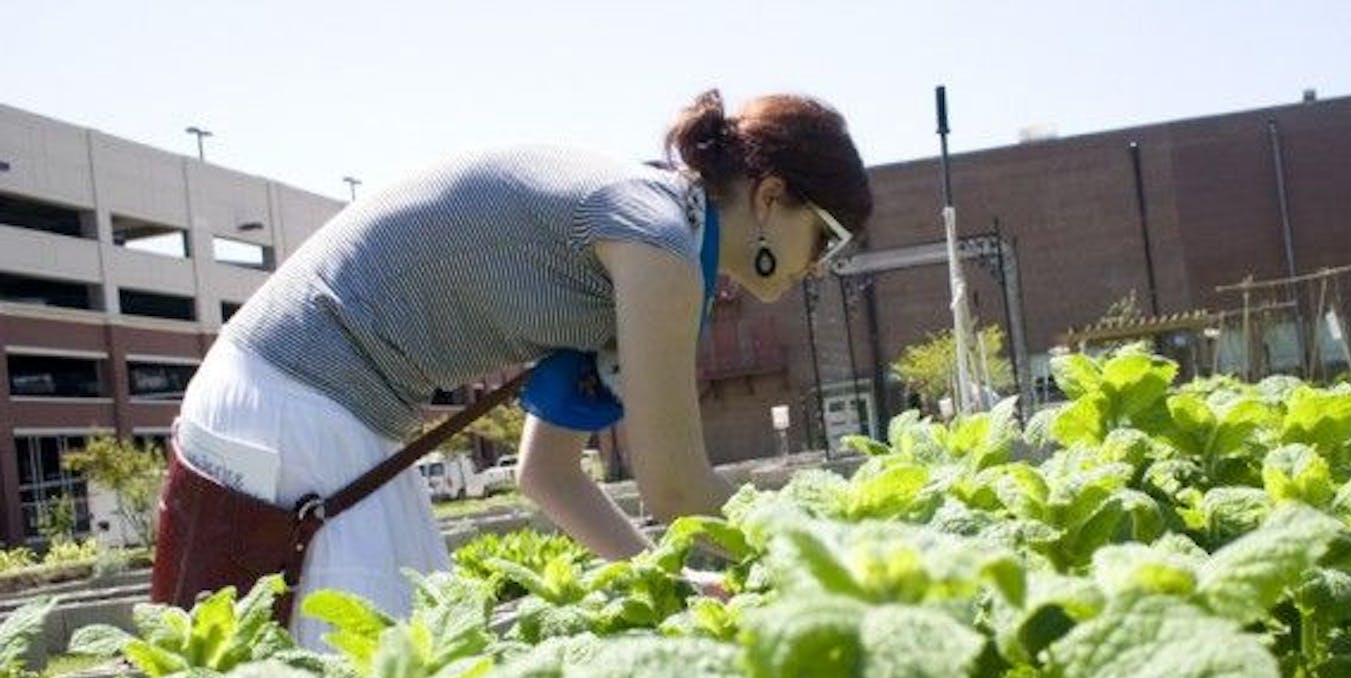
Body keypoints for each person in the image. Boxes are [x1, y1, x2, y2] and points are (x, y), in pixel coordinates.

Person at [168, 89, 872, 643]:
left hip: (309, 402)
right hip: (297, 399)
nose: (820, 267)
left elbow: (548, 473)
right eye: (828, 240)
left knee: (425, 669)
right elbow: (674, 486)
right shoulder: (658, 242)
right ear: (771, 197)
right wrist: (836, 567)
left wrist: (671, 586)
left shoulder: (659, 228)